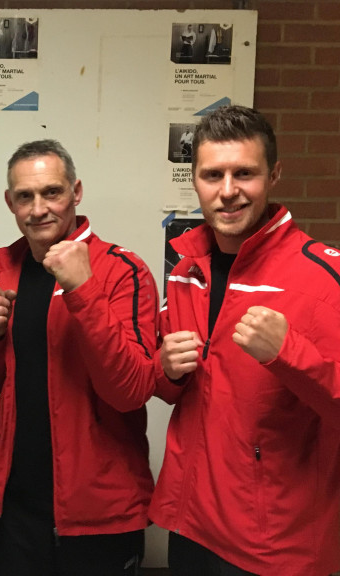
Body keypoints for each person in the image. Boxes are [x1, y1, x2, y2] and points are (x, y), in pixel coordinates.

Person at [151, 105, 340, 575]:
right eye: (213, 174)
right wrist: (166, 369)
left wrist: (288, 354)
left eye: (245, 173)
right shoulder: (185, 270)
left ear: (273, 175)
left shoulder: (326, 278)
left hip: (275, 543)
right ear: (194, 179)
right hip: (191, 521)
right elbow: (178, 389)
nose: (228, 191)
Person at [0, 139, 159, 576]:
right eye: (25, 196)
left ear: (76, 192)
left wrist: (83, 288)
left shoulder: (122, 270)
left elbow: (131, 391)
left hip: (99, 513)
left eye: (52, 192)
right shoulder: (4, 270)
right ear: (10, 203)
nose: (39, 209)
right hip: (16, 506)